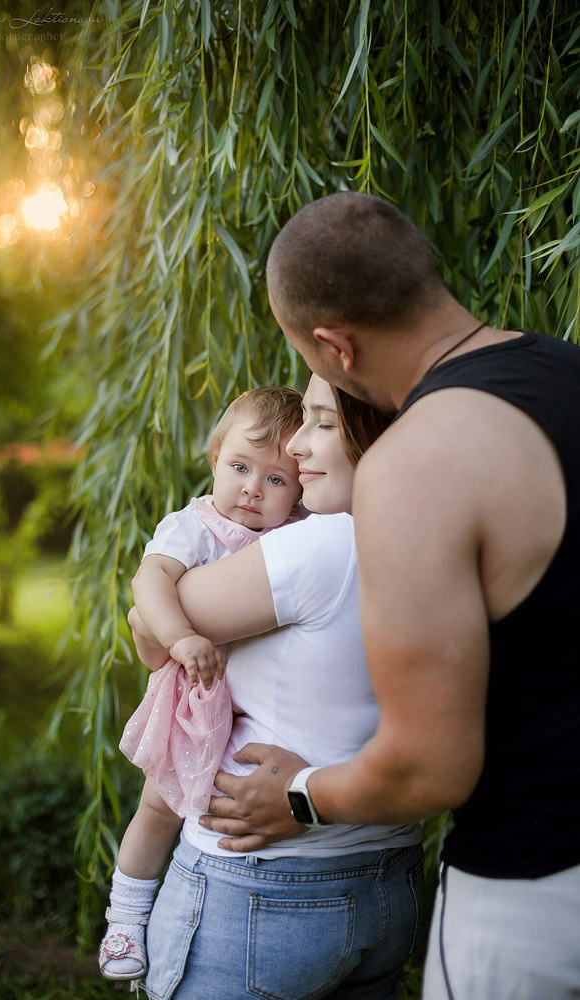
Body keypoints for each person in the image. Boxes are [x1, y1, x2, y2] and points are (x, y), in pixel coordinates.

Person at [196, 192, 580, 1000]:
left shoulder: (416, 460)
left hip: (533, 893)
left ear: (334, 348)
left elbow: (428, 769)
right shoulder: (566, 371)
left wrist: (297, 796)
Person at [129, 374, 426, 1000]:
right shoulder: (436, 536)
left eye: (321, 423)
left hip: (265, 887)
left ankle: (122, 915)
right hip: (389, 873)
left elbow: (151, 630)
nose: (296, 451)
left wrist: (305, 797)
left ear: (371, 434)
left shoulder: (318, 544)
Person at [99, 385, 304, 987]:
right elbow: (150, 581)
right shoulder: (195, 526)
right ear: (214, 457)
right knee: (159, 807)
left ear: (298, 491)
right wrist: (181, 635)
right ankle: (125, 919)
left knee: (215, 808)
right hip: (195, 696)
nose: (252, 489)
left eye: (276, 480)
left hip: (252, 711)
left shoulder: (297, 535)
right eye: (240, 467)